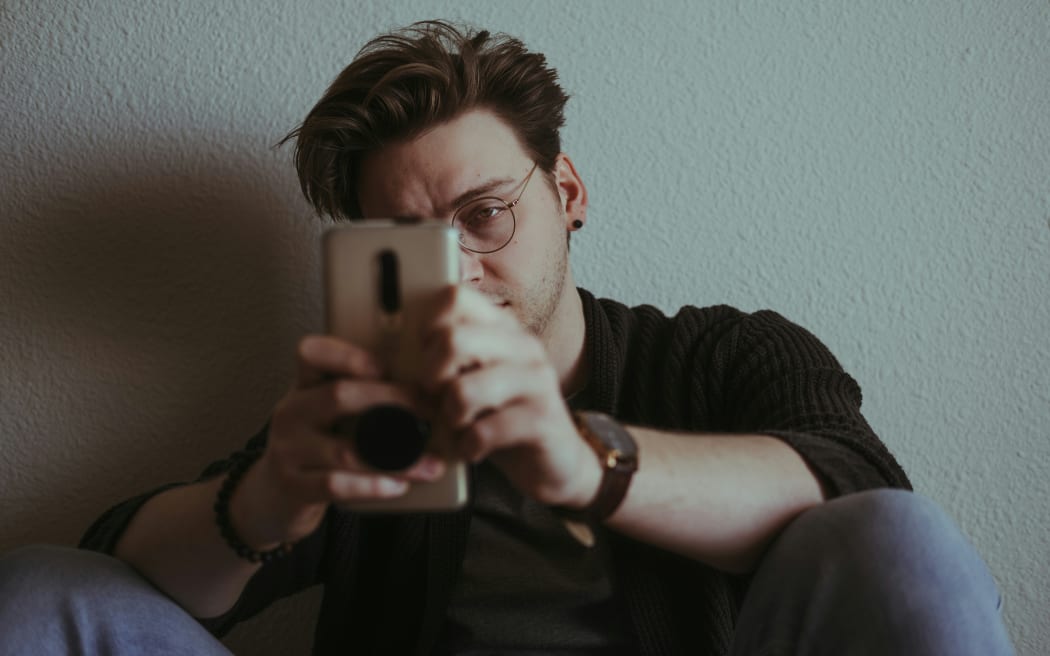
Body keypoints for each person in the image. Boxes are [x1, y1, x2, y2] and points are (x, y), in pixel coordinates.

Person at [0, 20, 1014, 656]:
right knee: (44, 585)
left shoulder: (721, 354)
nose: (459, 270)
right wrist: (271, 495)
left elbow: (858, 484)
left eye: (485, 214)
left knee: (896, 536)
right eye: (409, 245)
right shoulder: (379, 407)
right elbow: (124, 570)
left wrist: (584, 460)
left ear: (566, 192)